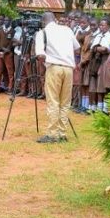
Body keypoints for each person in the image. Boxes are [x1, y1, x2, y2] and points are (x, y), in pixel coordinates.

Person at [36, 11, 79, 143]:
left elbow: (40, 55)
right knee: (65, 103)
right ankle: (62, 133)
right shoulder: (67, 30)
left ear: (43, 22)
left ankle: (52, 134)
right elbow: (77, 48)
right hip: (68, 69)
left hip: (54, 68)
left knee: (53, 101)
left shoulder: (42, 33)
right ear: (55, 19)